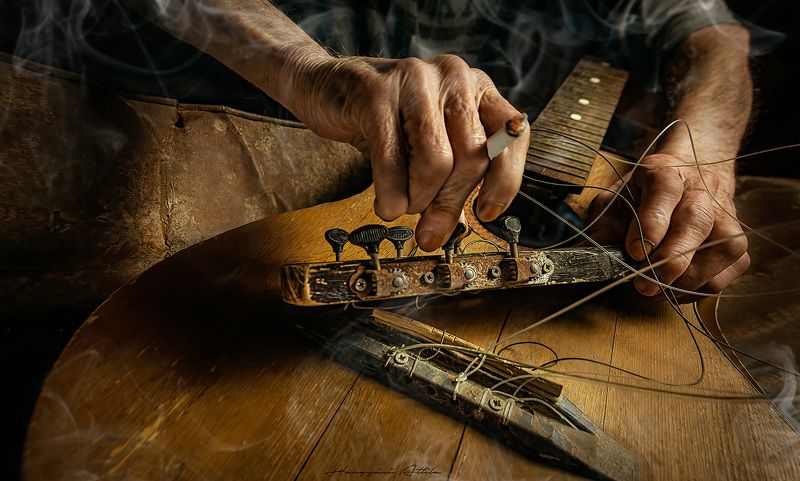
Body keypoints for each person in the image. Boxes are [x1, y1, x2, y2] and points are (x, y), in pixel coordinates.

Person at [125, 0, 753, 297]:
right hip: (222, 168)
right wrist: (304, 68)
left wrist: (706, 154)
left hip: (481, 177)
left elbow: (715, 35)